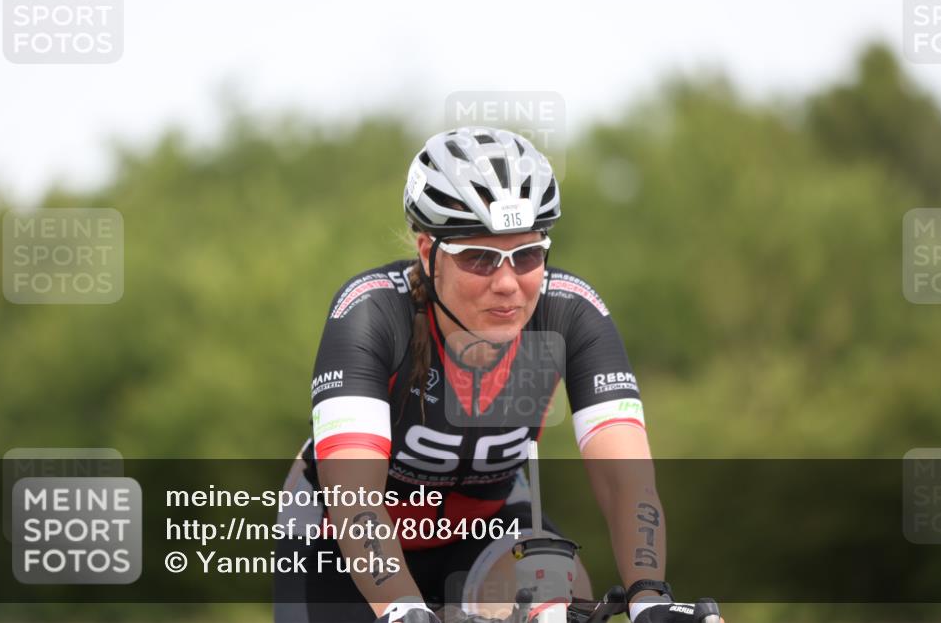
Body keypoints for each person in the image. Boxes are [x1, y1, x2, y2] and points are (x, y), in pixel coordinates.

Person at [274, 127, 722, 623]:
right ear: (428, 253)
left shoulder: (570, 312)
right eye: (480, 258)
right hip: (342, 539)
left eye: (527, 255)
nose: (508, 284)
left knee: (554, 606)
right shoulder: (372, 313)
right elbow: (355, 501)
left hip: (487, 528)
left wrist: (649, 599)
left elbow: (627, 484)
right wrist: (403, 610)